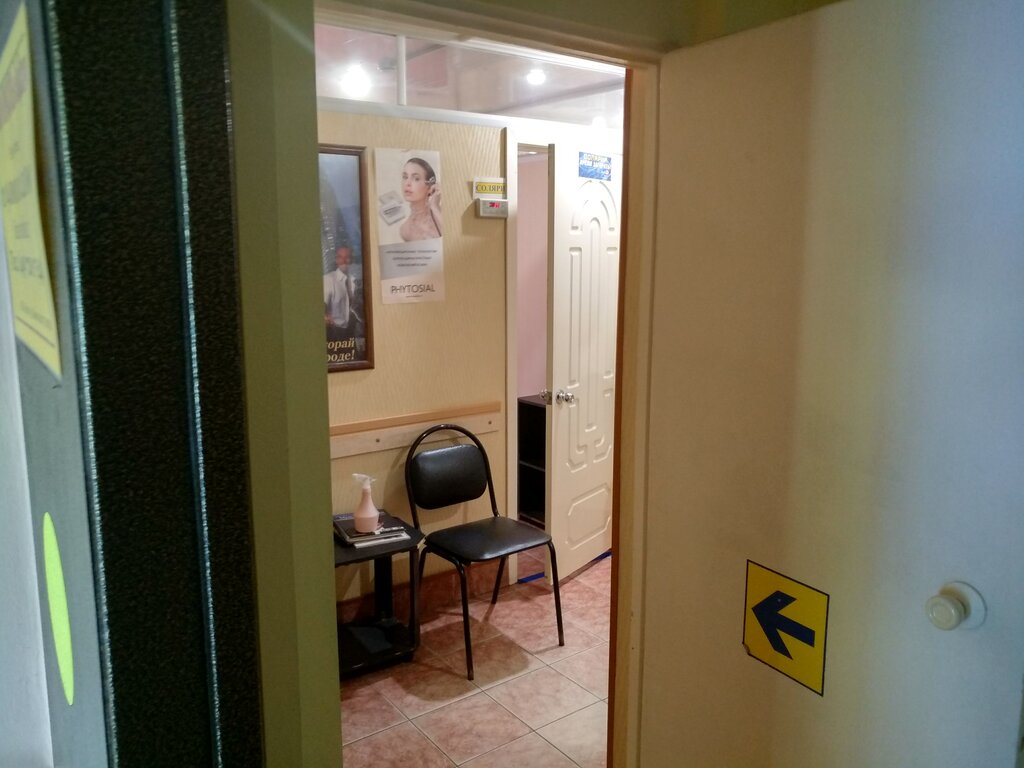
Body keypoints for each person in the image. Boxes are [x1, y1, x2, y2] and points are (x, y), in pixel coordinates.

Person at [399, 157, 442, 241]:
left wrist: (435, 207)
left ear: (430, 187)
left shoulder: (442, 213)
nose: (407, 183)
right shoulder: (405, 230)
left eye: (416, 179)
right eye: (405, 177)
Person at [324, 246, 358, 341]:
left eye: (347, 257)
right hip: (334, 331)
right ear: (336, 260)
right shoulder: (328, 279)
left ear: (351, 259)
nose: (343, 260)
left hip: (351, 330)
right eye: (340, 257)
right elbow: (322, 303)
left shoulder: (354, 280)